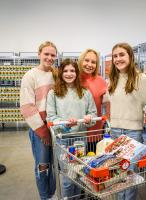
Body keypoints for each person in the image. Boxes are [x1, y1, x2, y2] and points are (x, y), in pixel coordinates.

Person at [105, 42, 146, 200]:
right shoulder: (112, 80)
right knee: (117, 174)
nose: (118, 59)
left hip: (133, 132)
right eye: (115, 56)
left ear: (130, 57)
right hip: (115, 131)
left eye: (122, 55)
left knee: (129, 174)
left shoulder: (142, 79)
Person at [46, 58, 97, 199]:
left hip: (81, 140)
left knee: (79, 175)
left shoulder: (85, 93)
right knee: (68, 178)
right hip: (62, 141)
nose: (69, 74)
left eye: (73, 70)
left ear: (77, 73)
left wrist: (88, 119)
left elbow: (93, 114)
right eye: (66, 71)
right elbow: (51, 117)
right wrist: (64, 123)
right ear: (61, 73)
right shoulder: (53, 93)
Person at [20, 41, 57, 200]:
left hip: (55, 128)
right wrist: (43, 132)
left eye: (52, 55)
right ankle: (44, 196)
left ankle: (52, 194)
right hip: (39, 130)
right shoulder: (30, 76)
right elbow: (27, 107)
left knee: (55, 165)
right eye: (46, 54)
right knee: (42, 165)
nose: (49, 57)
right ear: (39, 55)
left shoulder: (56, 74)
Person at [78, 49, 107, 152]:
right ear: (81, 61)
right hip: (75, 133)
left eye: (93, 62)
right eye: (86, 60)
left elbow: (108, 102)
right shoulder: (72, 78)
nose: (89, 64)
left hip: (95, 132)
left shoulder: (100, 81)